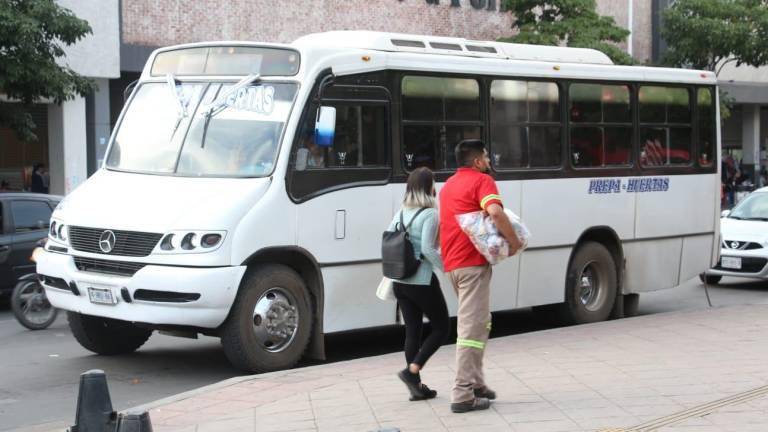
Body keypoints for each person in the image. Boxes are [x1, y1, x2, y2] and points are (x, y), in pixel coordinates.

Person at [439, 139, 522, 413]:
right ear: (476, 161)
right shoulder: (482, 181)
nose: (488, 161)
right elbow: (495, 213)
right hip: (472, 264)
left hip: (453, 265)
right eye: (486, 157)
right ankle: (462, 394)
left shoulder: (449, 185)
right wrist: (514, 242)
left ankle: (476, 383)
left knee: (480, 324)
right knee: (470, 329)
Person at [388, 167, 450, 401]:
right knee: (442, 328)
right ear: (429, 187)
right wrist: (448, 269)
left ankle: (416, 385)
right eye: (434, 182)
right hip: (421, 280)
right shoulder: (430, 214)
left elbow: (388, 234)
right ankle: (412, 371)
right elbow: (427, 249)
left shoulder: (402, 211)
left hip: (400, 280)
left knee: (412, 332)